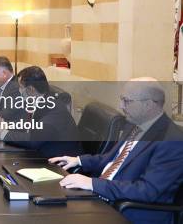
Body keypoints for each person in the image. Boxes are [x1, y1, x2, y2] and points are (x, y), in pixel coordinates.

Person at [50, 78, 183, 224]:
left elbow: (146, 191)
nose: (121, 106)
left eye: (127, 101)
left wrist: (92, 184)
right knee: (47, 204)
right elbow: (112, 159)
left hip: (128, 211)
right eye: (121, 100)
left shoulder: (172, 141)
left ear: (148, 104)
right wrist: (78, 160)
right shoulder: (135, 123)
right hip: (105, 196)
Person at [0, 66, 82, 158]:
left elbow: (33, 140)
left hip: (58, 163)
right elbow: (26, 126)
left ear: (31, 90)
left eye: (20, 87)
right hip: (40, 153)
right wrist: (6, 126)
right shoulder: (37, 102)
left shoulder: (54, 110)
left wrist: (2, 133)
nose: (19, 91)